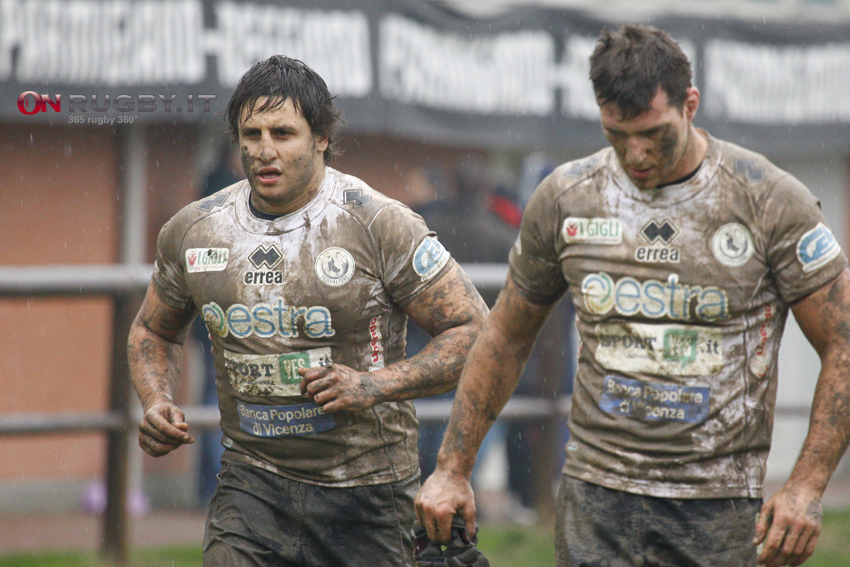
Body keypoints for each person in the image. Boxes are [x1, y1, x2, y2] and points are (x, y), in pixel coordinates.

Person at [415, 23, 850, 567]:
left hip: (716, 503)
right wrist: (452, 468)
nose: (636, 154)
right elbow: (505, 336)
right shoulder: (568, 198)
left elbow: (843, 342)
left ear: (690, 104)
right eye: (616, 135)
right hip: (595, 498)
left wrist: (806, 485)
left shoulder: (768, 200)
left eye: (653, 133)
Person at [127, 55, 488, 566]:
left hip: (368, 492)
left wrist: (372, 385)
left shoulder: (378, 223)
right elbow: (152, 330)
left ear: (322, 137)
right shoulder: (195, 229)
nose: (264, 150)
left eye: (283, 133)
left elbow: (474, 333)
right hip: (251, 486)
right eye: (251, 134)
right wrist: (156, 399)